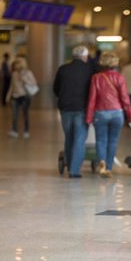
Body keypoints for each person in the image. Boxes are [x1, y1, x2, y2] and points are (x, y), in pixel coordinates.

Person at [86, 52, 131, 178]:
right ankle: (108, 167)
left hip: (101, 113)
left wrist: (88, 117)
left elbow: (92, 99)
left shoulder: (96, 78)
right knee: (113, 141)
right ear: (115, 63)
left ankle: (102, 162)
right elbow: (125, 99)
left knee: (100, 140)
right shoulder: (120, 77)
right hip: (117, 114)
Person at [53, 45, 93, 178]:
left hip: (65, 109)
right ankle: (74, 171)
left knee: (69, 138)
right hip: (82, 109)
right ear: (85, 57)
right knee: (79, 139)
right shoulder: (89, 70)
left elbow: (55, 89)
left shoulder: (63, 69)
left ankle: (70, 165)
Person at [6, 57, 36, 139]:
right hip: (15, 96)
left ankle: (26, 131)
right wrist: (8, 96)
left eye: (17, 63)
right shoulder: (14, 73)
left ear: (22, 64)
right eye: (15, 63)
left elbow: (33, 83)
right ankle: (14, 131)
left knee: (25, 114)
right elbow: (11, 86)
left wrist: (25, 79)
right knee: (15, 115)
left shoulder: (28, 73)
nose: (15, 65)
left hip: (25, 96)